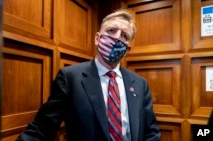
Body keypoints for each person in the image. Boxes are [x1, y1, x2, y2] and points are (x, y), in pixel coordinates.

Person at [17, 9, 161, 141]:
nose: (117, 38)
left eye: (124, 35)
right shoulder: (70, 77)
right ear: (97, 38)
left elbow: (152, 132)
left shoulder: (140, 83)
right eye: (111, 30)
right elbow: (42, 129)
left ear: (127, 49)